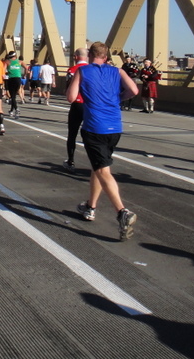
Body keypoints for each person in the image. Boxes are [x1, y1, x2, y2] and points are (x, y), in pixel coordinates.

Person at [67, 41, 139, 241]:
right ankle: (90, 206)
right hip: (115, 127)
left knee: (102, 170)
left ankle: (122, 212)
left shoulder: (83, 71)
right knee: (98, 167)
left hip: (94, 127)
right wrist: (117, 98)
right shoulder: (118, 71)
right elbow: (133, 91)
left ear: (90, 55)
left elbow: (71, 97)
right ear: (106, 57)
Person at [64, 48, 89, 173]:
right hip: (89, 105)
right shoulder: (92, 70)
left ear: (76, 57)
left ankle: (71, 160)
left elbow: (68, 88)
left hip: (76, 104)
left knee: (72, 134)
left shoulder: (72, 70)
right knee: (90, 134)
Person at [5, 51, 24, 118]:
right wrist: (25, 75)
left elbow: (4, 70)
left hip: (11, 79)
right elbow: (27, 68)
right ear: (15, 55)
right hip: (18, 79)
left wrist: (7, 73)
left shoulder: (7, 62)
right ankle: (11, 110)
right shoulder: (20, 62)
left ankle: (16, 109)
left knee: (12, 96)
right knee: (14, 96)